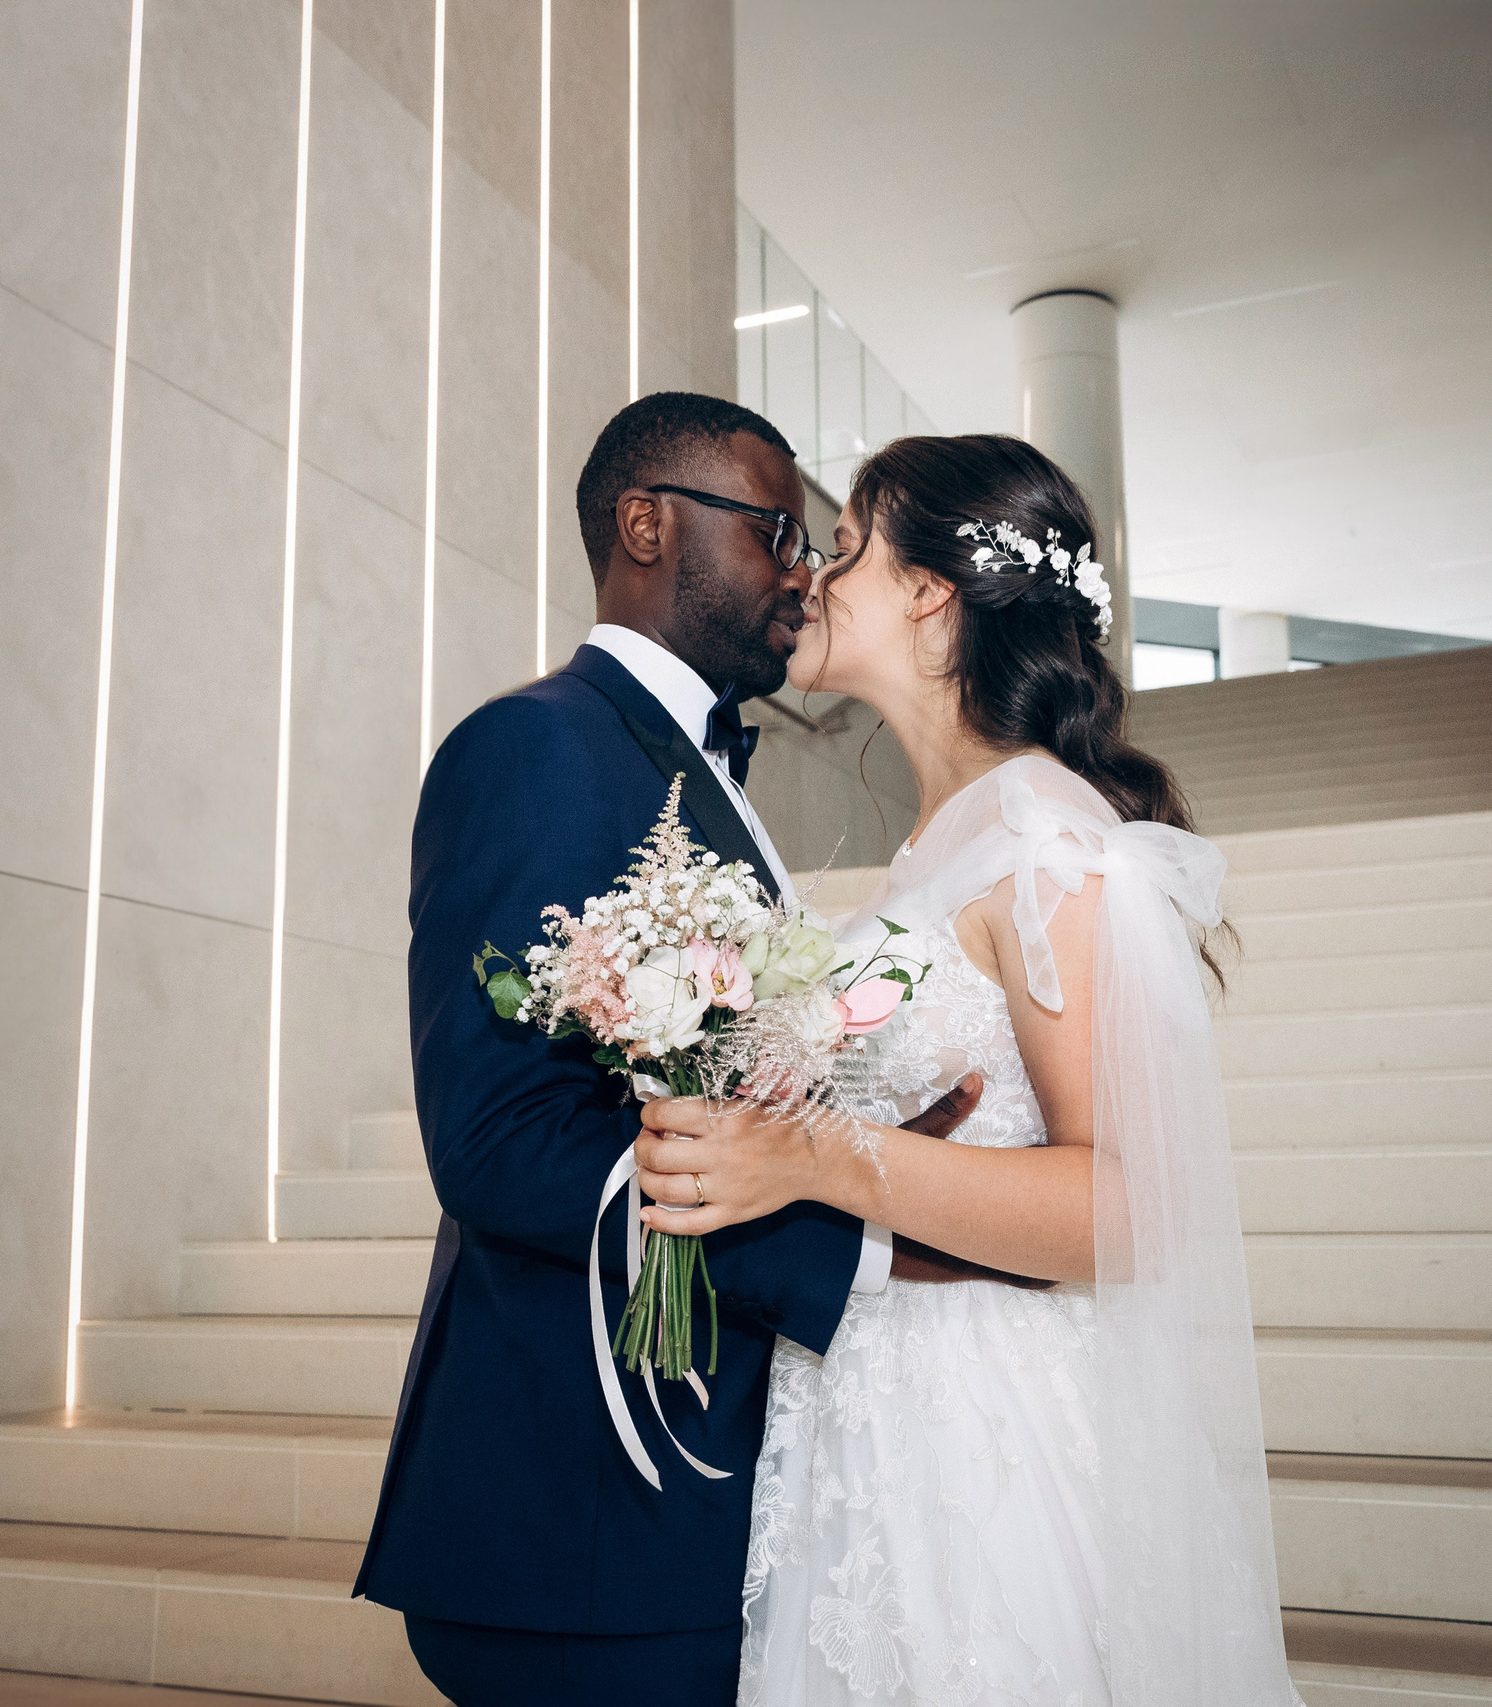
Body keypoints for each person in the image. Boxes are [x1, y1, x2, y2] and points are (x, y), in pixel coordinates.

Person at [356, 393, 1014, 1707]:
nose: (802, 571)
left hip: (683, 1499)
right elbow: (502, 1142)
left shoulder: (691, 775)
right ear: (647, 523)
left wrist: (862, 1143)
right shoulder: (537, 745)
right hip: (584, 1509)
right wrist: (851, 1235)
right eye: (776, 529)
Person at [633, 435, 1309, 1703]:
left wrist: (816, 1157)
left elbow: (1125, 1212)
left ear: (934, 593)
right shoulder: (941, 839)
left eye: (842, 552)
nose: (810, 582)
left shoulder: (1052, 840)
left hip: (983, 1435)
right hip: (872, 1406)